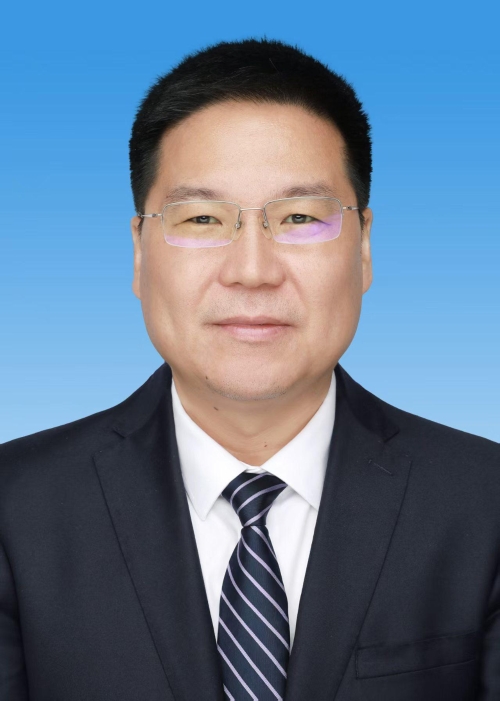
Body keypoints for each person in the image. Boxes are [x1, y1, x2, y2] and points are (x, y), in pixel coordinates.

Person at [0, 37, 498, 701]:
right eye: (204, 218)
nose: (253, 270)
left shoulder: (483, 504)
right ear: (140, 254)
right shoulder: (16, 510)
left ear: (365, 249)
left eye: (300, 217)